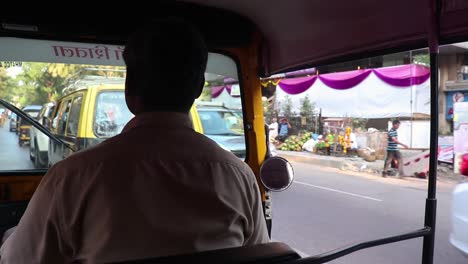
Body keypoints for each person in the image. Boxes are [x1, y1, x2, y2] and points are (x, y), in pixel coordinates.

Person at [0, 18, 269, 263]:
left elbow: (17, 260)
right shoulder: (239, 176)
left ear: (129, 88)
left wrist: (10, 236)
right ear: (198, 88)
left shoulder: (73, 177)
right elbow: (259, 255)